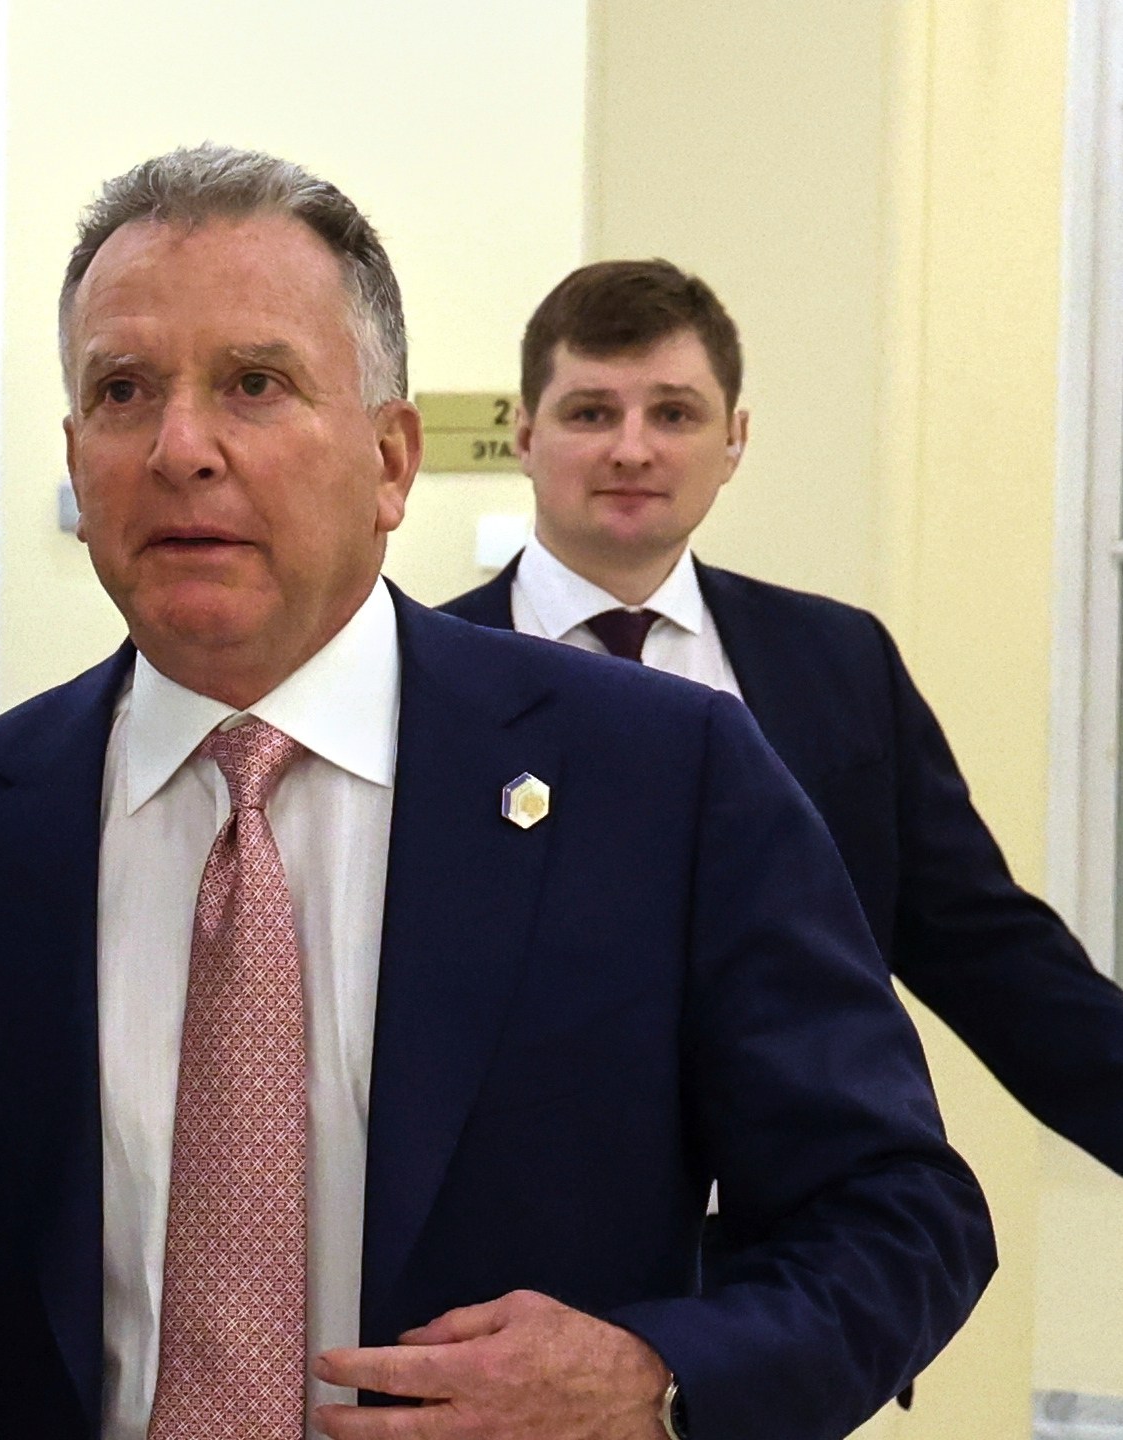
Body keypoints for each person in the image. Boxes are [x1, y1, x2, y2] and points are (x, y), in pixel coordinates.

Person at [0, 145, 992, 1440]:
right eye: (122, 391)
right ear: (72, 456)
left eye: (253, 382)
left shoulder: (662, 781)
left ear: (390, 461)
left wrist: (654, 1377)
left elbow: (899, 1214)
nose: (180, 448)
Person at [442, 260, 1123, 1176]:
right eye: (590, 412)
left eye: (673, 414)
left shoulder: (838, 666)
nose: (631, 449)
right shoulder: (428, 680)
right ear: (525, 434)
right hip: (513, 1239)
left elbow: (990, 954)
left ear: (734, 440)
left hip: (794, 1231)